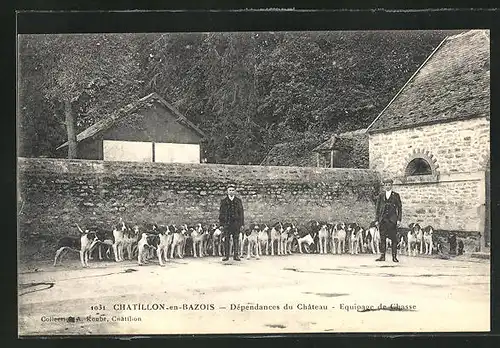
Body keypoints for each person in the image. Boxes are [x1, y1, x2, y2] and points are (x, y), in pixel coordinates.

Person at [375, 178, 402, 262]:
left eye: (389, 185)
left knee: (393, 239)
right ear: (384, 186)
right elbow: (377, 208)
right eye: (386, 185)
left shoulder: (396, 195)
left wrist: (399, 219)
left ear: (391, 185)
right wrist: (376, 219)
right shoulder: (381, 195)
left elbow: (399, 208)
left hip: (392, 220)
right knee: (382, 238)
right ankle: (382, 256)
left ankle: (394, 257)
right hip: (383, 219)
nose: (387, 186)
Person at [219, 184, 244, 261]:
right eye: (230, 190)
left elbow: (241, 213)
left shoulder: (238, 201)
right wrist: (221, 224)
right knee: (226, 239)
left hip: (236, 224)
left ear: (235, 191)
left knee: (236, 239)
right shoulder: (224, 201)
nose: (231, 192)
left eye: (233, 190)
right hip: (227, 223)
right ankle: (226, 256)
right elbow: (221, 213)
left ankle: (236, 255)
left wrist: (242, 224)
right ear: (227, 191)